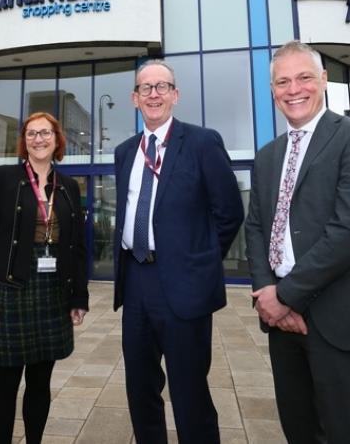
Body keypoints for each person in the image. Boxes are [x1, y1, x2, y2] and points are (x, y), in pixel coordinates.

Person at [246, 40, 350, 444]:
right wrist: (267, 292)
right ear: (272, 90)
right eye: (282, 81)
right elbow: (256, 228)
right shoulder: (267, 156)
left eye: (303, 78)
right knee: (299, 431)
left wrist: (286, 296)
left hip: (340, 316)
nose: (293, 89)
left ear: (324, 80)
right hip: (282, 324)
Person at [113, 59, 244, 443]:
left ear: (175, 94)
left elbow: (229, 213)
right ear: (134, 99)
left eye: (162, 86)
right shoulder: (124, 153)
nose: (154, 94)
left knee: (190, 393)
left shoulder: (202, 142)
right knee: (140, 389)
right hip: (136, 281)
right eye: (146, 88)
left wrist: (197, 262)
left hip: (185, 288)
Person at [0, 112, 89, 444]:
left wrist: (78, 298)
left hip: (54, 290)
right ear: (24, 141)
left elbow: (78, 246)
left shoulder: (68, 186)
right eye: (30, 134)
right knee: (7, 378)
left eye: (44, 133)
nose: (37, 139)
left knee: (41, 378)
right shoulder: (5, 178)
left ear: (57, 140)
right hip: (12, 286)